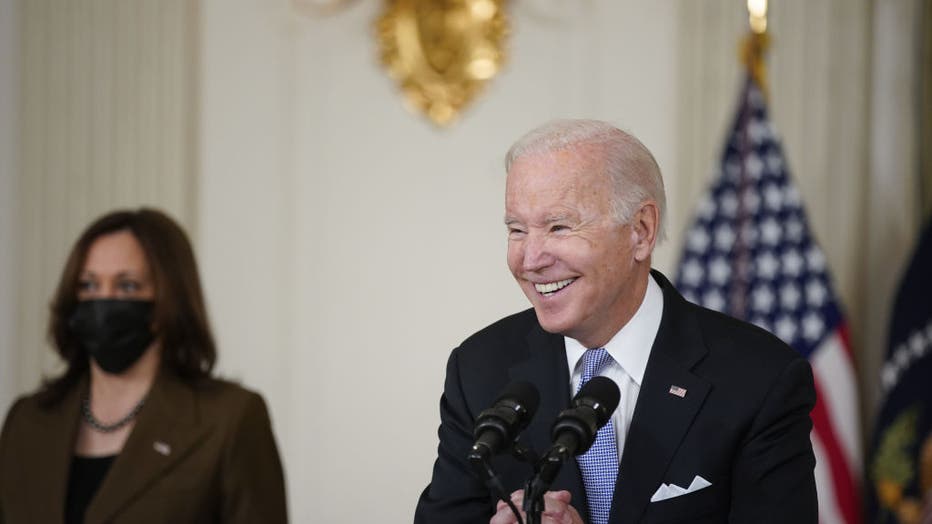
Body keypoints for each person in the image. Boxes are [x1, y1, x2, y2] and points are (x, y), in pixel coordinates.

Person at [414, 120, 817, 523]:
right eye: (517, 230)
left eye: (559, 227)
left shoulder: (760, 379)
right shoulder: (480, 369)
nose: (530, 260)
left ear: (640, 232)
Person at [0, 208, 288, 523]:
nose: (104, 303)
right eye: (88, 286)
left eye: (127, 286)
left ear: (170, 297)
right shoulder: (26, 422)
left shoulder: (229, 420)